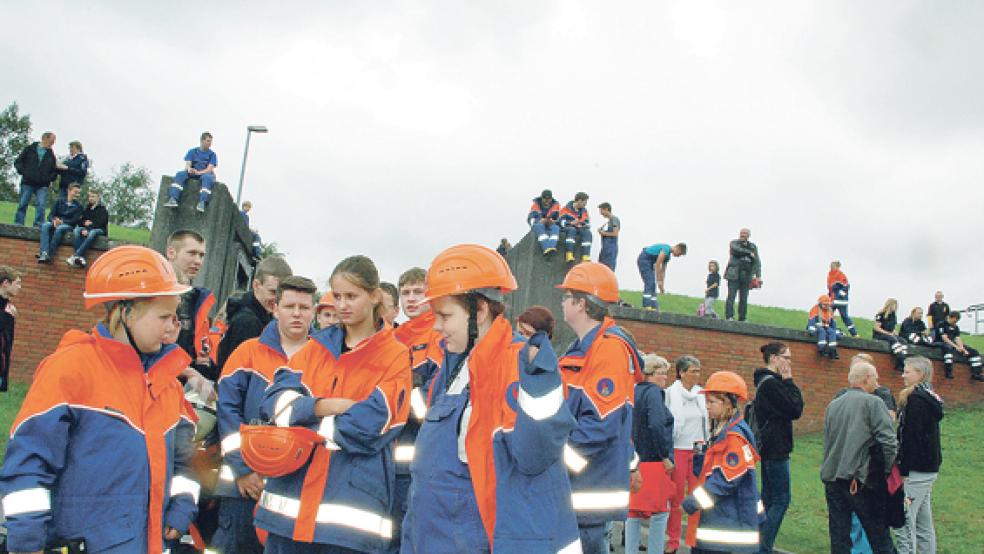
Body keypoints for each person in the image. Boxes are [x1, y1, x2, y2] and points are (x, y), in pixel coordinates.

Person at [0, 245, 199, 553]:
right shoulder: (71, 369)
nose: (174, 328)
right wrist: (27, 544)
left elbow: (187, 461)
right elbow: (28, 465)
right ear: (125, 312)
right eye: (164, 316)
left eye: (176, 317)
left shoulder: (168, 385)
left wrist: (183, 505)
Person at [401, 244, 579, 553]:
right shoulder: (453, 366)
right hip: (430, 535)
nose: (437, 327)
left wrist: (538, 377)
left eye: (444, 316)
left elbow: (534, 456)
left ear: (480, 311)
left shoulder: (519, 363)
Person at [251, 255, 411, 553]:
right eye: (337, 296)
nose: (342, 305)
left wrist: (304, 421)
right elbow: (273, 404)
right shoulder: (315, 348)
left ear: (374, 296)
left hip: (349, 521)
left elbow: (370, 427)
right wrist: (327, 405)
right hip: (288, 513)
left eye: (351, 296)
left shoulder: (395, 355)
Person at [213, 276, 317, 554]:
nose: (297, 313)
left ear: (314, 311)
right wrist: (243, 470)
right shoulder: (248, 352)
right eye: (289, 306)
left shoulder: (325, 360)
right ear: (275, 308)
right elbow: (227, 411)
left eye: (304, 307)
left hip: (295, 489)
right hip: (242, 488)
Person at [557, 262, 644, 554]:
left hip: (587, 488)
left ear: (581, 304)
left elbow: (601, 425)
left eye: (567, 296)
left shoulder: (607, 349)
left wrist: (554, 461)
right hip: (581, 487)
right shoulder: (586, 346)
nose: (562, 302)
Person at [388, 266, 443, 553]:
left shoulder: (438, 335)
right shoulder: (396, 337)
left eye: (417, 292)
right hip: (390, 458)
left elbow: (435, 397)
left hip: (420, 457)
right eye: (405, 293)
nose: (411, 298)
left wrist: (396, 401)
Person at [681, 371, 764, 552]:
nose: (707, 407)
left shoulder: (734, 437)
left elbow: (725, 480)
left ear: (727, 403)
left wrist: (693, 502)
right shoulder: (723, 430)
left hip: (727, 528)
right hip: (722, 521)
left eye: (711, 402)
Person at [821, 360, 899, 554]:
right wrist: (884, 471)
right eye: (875, 378)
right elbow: (889, 441)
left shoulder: (833, 404)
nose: (878, 383)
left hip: (832, 477)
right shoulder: (873, 402)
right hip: (860, 480)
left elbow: (829, 441)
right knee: (879, 535)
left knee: (839, 537)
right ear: (866, 378)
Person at [752, 342, 804, 554]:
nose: (789, 363)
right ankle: (763, 547)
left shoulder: (766, 382)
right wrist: (789, 380)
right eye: (786, 358)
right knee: (781, 499)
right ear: (774, 359)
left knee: (769, 498)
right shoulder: (772, 384)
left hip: (769, 448)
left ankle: (758, 543)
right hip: (775, 449)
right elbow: (795, 408)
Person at [625, 354, 674, 554]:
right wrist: (665, 455)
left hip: (634, 459)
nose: (665, 378)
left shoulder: (634, 390)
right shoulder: (654, 393)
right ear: (650, 375)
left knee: (633, 512)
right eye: (661, 373)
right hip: (653, 460)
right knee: (661, 511)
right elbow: (656, 424)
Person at [894, 356, 944, 554]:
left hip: (917, 469)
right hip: (928, 467)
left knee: (904, 520)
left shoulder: (916, 400)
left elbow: (911, 436)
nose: (903, 375)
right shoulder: (929, 396)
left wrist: (903, 467)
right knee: (923, 523)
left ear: (920, 374)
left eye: (907, 372)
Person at [216, 256, 293, 371]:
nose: (277, 299)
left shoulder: (261, 316)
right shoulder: (248, 322)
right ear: (256, 285)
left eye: (282, 293)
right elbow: (238, 372)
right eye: (272, 292)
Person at [664, 355, 707, 554]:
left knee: (698, 496)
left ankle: (694, 540)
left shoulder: (701, 394)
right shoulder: (671, 394)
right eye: (693, 371)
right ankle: (673, 541)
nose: (697, 375)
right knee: (678, 498)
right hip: (679, 449)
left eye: (699, 371)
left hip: (698, 450)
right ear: (681, 373)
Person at [165, 230, 220, 381]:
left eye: (201, 255)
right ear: (171, 253)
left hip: (181, 386)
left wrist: (200, 361)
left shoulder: (196, 298)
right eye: (192, 253)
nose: (198, 261)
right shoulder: (157, 292)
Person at [165, 132, 218, 213]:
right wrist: (190, 169)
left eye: (210, 141)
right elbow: (188, 165)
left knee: (208, 178)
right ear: (202, 141)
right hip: (192, 173)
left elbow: (209, 169)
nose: (210, 143)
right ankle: (173, 199)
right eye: (208, 141)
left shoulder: (212, 154)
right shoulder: (192, 151)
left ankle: (202, 202)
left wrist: (199, 173)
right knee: (180, 174)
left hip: (203, 174)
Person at [13, 131, 58, 227]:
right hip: (28, 182)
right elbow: (18, 162)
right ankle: (18, 224)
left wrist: (49, 179)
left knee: (41, 205)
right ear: (44, 139)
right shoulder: (30, 149)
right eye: (51, 141)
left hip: (42, 185)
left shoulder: (51, 154)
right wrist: (24, 172)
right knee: (23, 203)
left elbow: (54, 170)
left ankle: (38, 225)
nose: (52, 143)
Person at [37, 182, 83, 264]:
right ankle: (44, 252)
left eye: (78, 193)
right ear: (69, 191)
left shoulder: (79, 206)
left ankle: (49, 254)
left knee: (60, 229)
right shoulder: (59, 201)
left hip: (68, 225)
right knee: (45, 225)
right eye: (75, 192)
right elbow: (51, 215)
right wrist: (54, 220)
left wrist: (62, 222)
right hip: (56, 222)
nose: (77, 195)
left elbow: (75, 221)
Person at [66, 188, 110, 268]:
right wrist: (84, 224)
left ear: (98, 198)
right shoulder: (87, 208)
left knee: (92, 233)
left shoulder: (102, 209)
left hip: (99, 230)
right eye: (90, 196)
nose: (91, 198)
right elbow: (80, 220)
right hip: (87, 228)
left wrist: (89, 227)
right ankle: (80, 258)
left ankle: (76, 256)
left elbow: (101, 223)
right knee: (76, 230)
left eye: (93, 196)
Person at [724, 228, 762, 322]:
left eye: (745, 233)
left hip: (746, 275)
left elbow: (757, 261)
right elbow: (736, 250)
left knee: (744, 298)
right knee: (731, 296)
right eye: (741, 233)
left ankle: (742, 318)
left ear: (748, 235)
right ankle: (729, 316)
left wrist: (758, 276)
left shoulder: (753, 246)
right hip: (734, 274)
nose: (742, 235)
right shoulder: (734, 243)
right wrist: (749, 253)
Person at [637, 243, 687, 311]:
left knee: (653, 284)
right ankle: (647, 305)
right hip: (644, 259)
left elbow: (663, 271)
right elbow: (658, 264)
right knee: (650, 282)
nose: (678, 256)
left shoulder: (668, 257)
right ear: (677, 248)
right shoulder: (666, 249)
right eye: (679, 254)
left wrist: (661, 285)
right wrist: (658, 281)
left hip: (650, 263)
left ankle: (654, 306)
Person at [936, 311, 983, 381]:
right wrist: (956, 347)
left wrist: (962, 348)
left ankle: (976, 373)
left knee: (974, 352)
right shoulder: (942, 324)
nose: (955, 323)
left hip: (953, 344)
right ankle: (948, 372)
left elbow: (957, 338)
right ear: (950, 317)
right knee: (948, 350)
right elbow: (944, 338)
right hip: (942, 343)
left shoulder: (956, 327)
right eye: (954, 321)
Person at [0, 266, 23, 393]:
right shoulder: (7, 311)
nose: (19, 287)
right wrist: (7, 316)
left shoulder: (8, 307)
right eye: (17, 283)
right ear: (5, 283)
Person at [872, 298, 908, 371]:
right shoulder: (881, 314)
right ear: (890, 305)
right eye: (895, 305)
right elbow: (876, 328)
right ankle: (901, 358)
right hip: (879, 334)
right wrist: (888, 333)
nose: (896, 307)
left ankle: (900, 362)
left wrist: (895, 333)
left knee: (903, 341)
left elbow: (892, 328)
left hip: (889, 334)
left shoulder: (893, 316)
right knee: (893, 339)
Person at [827, 261, 858, 337]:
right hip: (832, 299)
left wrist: (840, 295)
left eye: (832, 266)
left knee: (844, 316)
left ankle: (854, 333)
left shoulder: (840, 275)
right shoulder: (829, 275)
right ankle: (830, 329)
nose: (831, 267)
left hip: (841, 301)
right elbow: (830, 288)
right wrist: (829, 296)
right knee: (828, 314)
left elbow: (846, 286)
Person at [560, 191, 593, 263]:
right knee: (572, 230)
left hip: (580, 227)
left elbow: (587, 223)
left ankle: (585, 256)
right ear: (579, 201)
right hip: (568, 228)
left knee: (587, 233)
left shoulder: (584, 211)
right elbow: (560, 222)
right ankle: (569, 254)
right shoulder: (565, 209)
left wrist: (582, 224)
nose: (585, 204)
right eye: (585, 202)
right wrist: (571, 223)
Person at [527, 189, 561, 256]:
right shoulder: (535, 205)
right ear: (541, 198)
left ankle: (551, 247)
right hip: (538, 224)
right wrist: (539, 221)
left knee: (556, 228)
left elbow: (560, 219)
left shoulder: (556, 205)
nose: (547, 201)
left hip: (551, 224)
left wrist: (554, 221)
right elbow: (530, 219)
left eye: (549, 199)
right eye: (545, 199)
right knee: (539, 227)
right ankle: (546, 247)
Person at [807, 295, 840, 359]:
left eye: (827, 305)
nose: (826, 306)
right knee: (822, 331)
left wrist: (836, 331)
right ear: (820, 303)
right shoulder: (815, 309)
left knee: (832, 332)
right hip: (817, 327)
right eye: (824, 304)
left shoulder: (830, 311)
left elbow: (833, 322)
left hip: (826, 326)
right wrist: (811, 329)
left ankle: (832, 350)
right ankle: (822, 349)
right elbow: (811, 321)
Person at [597, 202, 621, 271]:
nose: (601, 213)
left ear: (606, 209)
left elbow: (615, 233)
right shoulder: (608, 222)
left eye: (601, 210)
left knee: (609, 269)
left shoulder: (614, 219)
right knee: (601, 268)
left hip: (610, 249)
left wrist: (602, 233)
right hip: (605, 249)